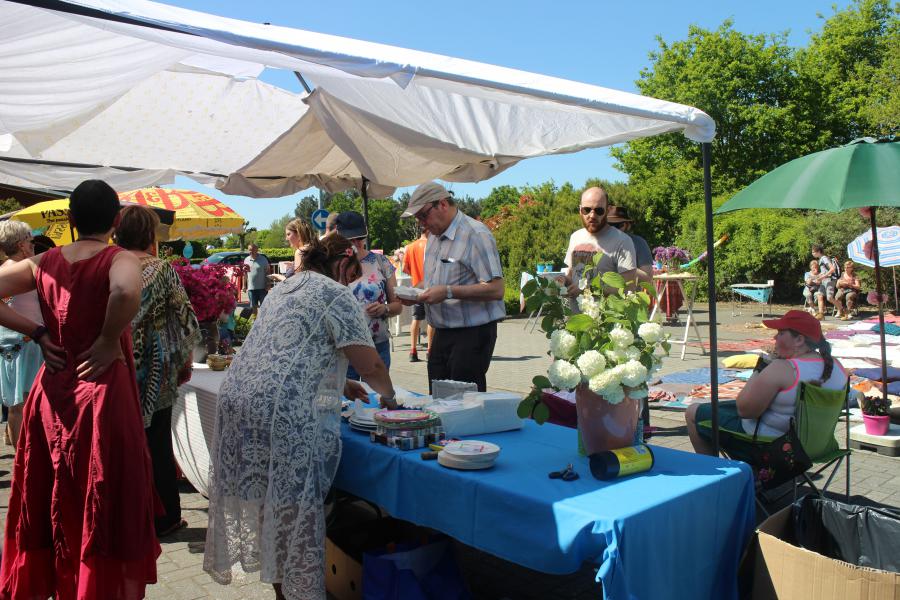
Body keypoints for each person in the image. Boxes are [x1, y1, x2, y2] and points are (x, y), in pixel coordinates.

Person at [203, 233, 397, 600]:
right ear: (343, 263)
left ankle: (282, 589)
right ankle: (299, 591)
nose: (351, 283)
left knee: (269, 508)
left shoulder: (283, 290)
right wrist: (390, 398)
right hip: (280, 415)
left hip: (239, 402)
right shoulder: (334, 293)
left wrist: (340, 386)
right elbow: (369, 364)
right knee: (293, 513)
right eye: (352, 274)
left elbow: (290, 349)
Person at [0, 179, 159, 599]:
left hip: (53, 394)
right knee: (102, 493)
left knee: (55, 487)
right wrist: (108, 340)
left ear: (70, 220)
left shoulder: (43, 262)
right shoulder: (118, 257)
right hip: (103, 396)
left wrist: (38, 332)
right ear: (116, 220)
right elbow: (125, 289)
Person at [116, 205, 201, 538]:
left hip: (117, 365)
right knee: (158, 444)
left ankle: (126, 516)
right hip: (156, 369)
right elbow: (185, 318)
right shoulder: (161, 269)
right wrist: (186, 361)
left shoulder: (108, 266)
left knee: (122, 443)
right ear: (149, 235)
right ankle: (164, 519)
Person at [685, 310, 847, 460]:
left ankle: (716, 476)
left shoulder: (784, 369)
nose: (775, 338)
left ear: (799, 340)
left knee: (693, 411)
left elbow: (745, 410)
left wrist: (761, 366)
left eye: (781, 333)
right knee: (721, 407)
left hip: (774, 448)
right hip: (819, 446)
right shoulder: (837, 366)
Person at [400, 182, 505, 392]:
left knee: (463, 406)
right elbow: (432, 283)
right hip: (442, 332)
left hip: (472, 334)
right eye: (418, 218)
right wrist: (414, 294)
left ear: (442, 204)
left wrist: (448, 291)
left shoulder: (475, 234)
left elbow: (496, 289)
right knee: (438, 398)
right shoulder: (434, 237)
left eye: (423, 215)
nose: (422, 223)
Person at [333, 211, 402, 379]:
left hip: (378, 345)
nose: (356, 243)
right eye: (350, 240)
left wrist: (384, 309)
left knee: (379, 398)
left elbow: (398, 305)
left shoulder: (381, 262)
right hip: (346, 347)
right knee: (349, 402)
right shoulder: (332, 265)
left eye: (360, 238)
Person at [0, 221, 44, 449]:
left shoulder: (2, 271)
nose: (33, 244)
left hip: (7, 347)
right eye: (31, 240)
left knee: (14, 406)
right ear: (21, 245)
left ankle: (19, 457)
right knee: (29, 403)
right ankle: (27, 457)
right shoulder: (26, 271)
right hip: (29, 343)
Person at [563, 187, 637, 299]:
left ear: (607, 211)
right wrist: (562, 280)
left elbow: (628, 287)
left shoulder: (623, 241)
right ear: (580, 210)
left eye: (599, 210)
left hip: (606, 315)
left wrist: (588, 290)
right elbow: (572, 275)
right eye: (586, 210)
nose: (592, 215)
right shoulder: (575, 237)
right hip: (575, 315)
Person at [403, 231, 434, 362]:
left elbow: (404, 268)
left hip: (416, 287)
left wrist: (415, 273)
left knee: (416, 318)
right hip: (431, 286)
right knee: (432, 320)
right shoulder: (433, 245)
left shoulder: (410, 247)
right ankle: (430, 351)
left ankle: (413, 351)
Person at [607, 206, 652, 285]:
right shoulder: (598, 243)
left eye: (614, 225)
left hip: (629, 296)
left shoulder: (639, 243)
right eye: (606, 225)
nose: (610, 229)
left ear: (625, 225)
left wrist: (623, 266)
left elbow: (647, 278)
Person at [811, 244, 839, 320]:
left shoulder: (824, 258)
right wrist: (815, 277)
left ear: (819, 251)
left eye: (813, 252)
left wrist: (822, 277)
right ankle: (821, 314)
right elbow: (824, 272)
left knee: (829, 298)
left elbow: (832, 269)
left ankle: (841, 309)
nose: (812, 253)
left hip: (830, 280)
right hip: (824, 280)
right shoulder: (820, 259)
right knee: (819, 295)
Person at [243, 243, 270, 316]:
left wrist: (268, 284)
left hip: (262, 288)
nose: (250, 252)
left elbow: (267, 272)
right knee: (253, 307)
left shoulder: (263, 259)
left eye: (252, 250)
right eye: (249, 250)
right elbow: (245, 273)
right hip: (251, 288)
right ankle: (254, 322)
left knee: (264, 307)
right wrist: (244, 286)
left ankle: (264, 322)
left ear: (257, 250)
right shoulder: (246, 260)